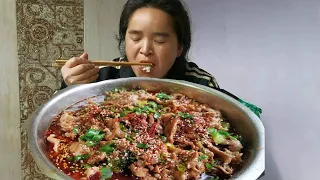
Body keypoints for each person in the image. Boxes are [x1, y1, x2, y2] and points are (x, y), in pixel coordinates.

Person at [59, 0, 261, 117]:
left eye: (160, 40)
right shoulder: (103, 75)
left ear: (179, 47)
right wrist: (70, 86)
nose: (145, 49)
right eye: (136, 38)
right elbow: (60, 118)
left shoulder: (199, 84)